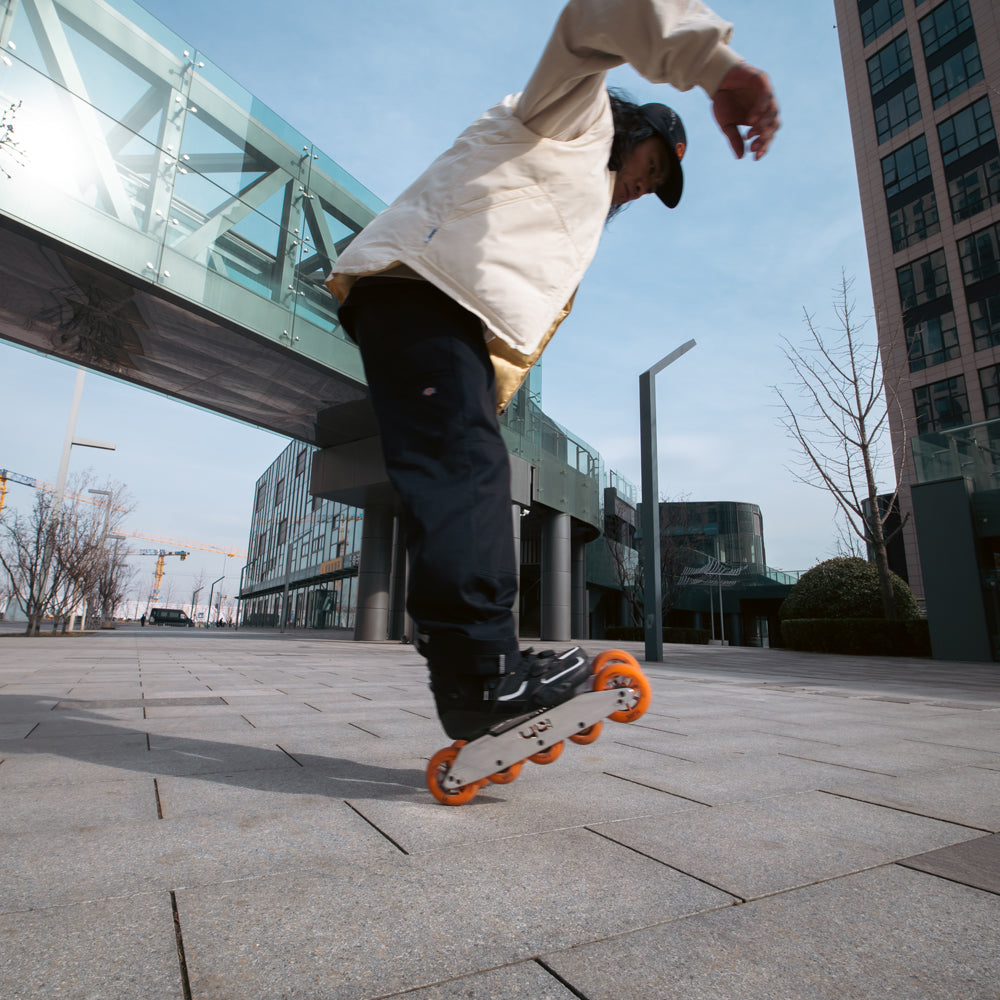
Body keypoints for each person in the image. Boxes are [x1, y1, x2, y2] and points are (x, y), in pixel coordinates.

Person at [326, 0, 779, 742]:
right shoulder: (576, 115)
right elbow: (604, 12)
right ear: (633, 133)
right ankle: (482, 676)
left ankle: (468, 663)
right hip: (420, 289)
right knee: (467, 472)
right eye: (651, 166)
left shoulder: (581, 205)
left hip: (436, 309)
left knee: (463, 475)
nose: (644, 186)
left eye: (656, 186)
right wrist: (716, 66)